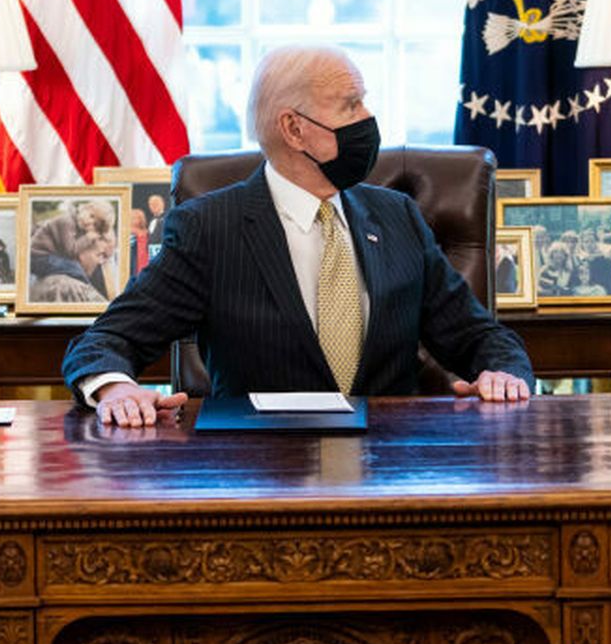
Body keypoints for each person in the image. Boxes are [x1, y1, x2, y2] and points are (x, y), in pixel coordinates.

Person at [63, 45, 533, 425]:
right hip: (262, 476)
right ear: (293, 128)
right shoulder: (211, 229)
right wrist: (117, 388)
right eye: (351, 105)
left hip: (391, 473)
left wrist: (503, 375)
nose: (368, 117)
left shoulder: (398, 218)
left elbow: (478, 336)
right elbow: (105, 342)